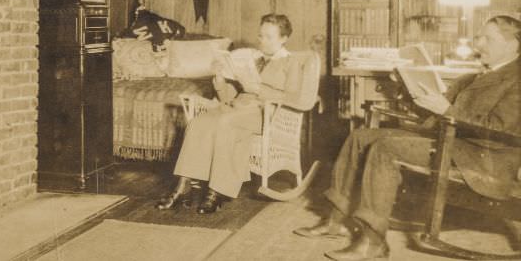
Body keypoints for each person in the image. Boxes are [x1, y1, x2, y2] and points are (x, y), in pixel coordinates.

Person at [294, 15, 521, 261]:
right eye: (479, 37)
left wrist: (447, 110)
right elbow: (435, 110)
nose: (479, 44)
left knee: (386, 148)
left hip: (483, 160)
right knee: (360, 136)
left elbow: (501, 129)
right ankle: (335, 220)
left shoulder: (516, 79)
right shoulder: (476, 75)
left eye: (489, 39)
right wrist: (405, 88)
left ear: (513, 44)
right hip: (452, 142)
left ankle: (373, 242)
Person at [156, 13, 302, 214]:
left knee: (226, 122)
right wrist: (220, 80)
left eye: (269, 37)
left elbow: (293, 97)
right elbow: (228, 97)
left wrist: (258, 89)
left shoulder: (291, 63)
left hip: (267, 113)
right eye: (261, 36)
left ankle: (217, 190)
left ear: (284, 38)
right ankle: (183, 187)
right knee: (199, 122)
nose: (263, 41)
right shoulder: (254, 58)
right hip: (237, 107)